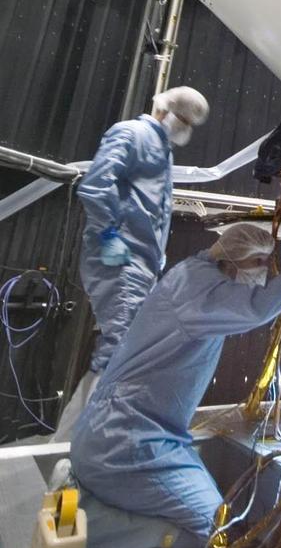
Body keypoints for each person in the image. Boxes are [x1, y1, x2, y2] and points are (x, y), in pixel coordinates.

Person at [70, 222, 281, 548]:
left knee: (218, 516)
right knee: (217, 533)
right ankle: (94, 524)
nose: (264, 272)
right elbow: (257, 308)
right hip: (126, 445)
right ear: (230, 260)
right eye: (258, 262)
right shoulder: (196, 288)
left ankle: (88, 497)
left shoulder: (195, 275)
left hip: (130, 434)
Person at [53, 86, 209, 439]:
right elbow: (96, 185)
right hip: (121, 258)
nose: (184, 128)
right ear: (165, 109)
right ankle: (78, 443)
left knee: (122, 347)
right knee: (121, 348)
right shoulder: (132, 134)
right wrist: (109, 234)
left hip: (140, 262)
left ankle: (74, 442)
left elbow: (154, 209)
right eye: (183, 119)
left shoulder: (162, 150)